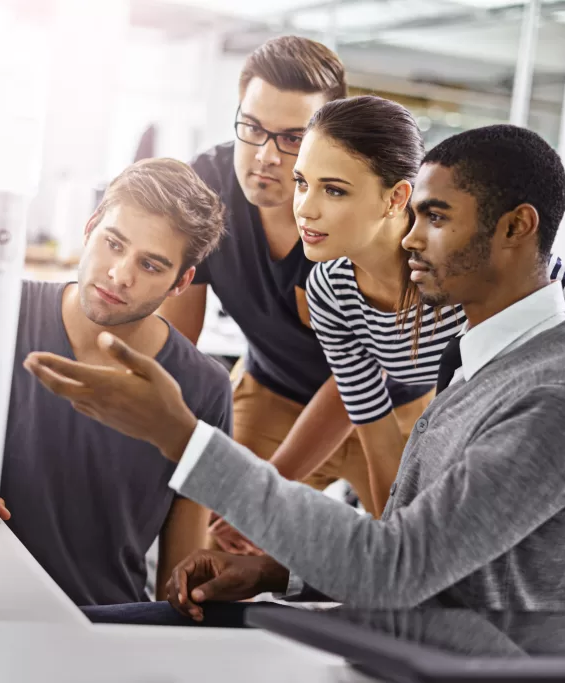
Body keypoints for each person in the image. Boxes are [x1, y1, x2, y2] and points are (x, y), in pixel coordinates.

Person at [24, 123, 565, 619]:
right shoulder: (484, 360)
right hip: (405, 636)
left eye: (437, 218)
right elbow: (411, 548)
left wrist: (182, 438)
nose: (413, 239)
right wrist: (278, 571)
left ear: (516, 228)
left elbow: (397, 568)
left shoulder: (562, 389)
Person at [211, 97, 565, 554]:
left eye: (335, 190)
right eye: (302, 183)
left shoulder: (469, 267)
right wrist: (388, 564)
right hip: (449, 427)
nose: (304, 209)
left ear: (396, 198)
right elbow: (376, 442)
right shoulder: (330, 289)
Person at [159, 37, 435, 546]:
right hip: (271, 391)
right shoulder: (207, 185)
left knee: (421, 568)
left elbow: (355, 379)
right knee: (210, 543)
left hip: (396, 408)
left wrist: (268, 489)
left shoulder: (371, 218)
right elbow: (178, 340)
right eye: (252, 128)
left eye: (291, 138)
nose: (264, 156)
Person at [0, 158, 233, 608]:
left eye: (150, 265)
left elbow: (181, 583)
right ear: (90, 227)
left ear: (182, 281)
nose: (120, 274)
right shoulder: (1, 313)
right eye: (114, 243)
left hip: (104, 626)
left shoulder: (204, 389)